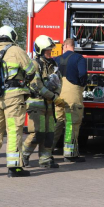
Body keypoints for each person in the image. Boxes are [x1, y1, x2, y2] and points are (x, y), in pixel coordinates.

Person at [0, 26, 36, 177]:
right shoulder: (16, 50)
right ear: (12, 36)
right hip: (13, 97)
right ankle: (14, 168)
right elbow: (31, 70)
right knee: (13, 131)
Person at [22, 35, 63, 169]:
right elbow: (37, 85)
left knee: (49, 133)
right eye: (47, 51)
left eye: (50, 50)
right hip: (36, 103)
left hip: (49, 104)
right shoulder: (34, 64)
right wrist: (53, 96)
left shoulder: (53, 64)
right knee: (38, 132)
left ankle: (45, 159)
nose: (49, 53)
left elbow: (59, 80)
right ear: (39, 50)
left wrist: (56, 93)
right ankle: (23, 155)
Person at [52, 38, 87, 162]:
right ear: (73, 46)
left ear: (65, 46)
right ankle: (70, 153)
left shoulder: (56, 59)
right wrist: (82, 85)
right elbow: (82, 74)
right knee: (71, 123)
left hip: (58, 94)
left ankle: (47, 149)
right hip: (73, 94)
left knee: (57, 122)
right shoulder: (79, 58)